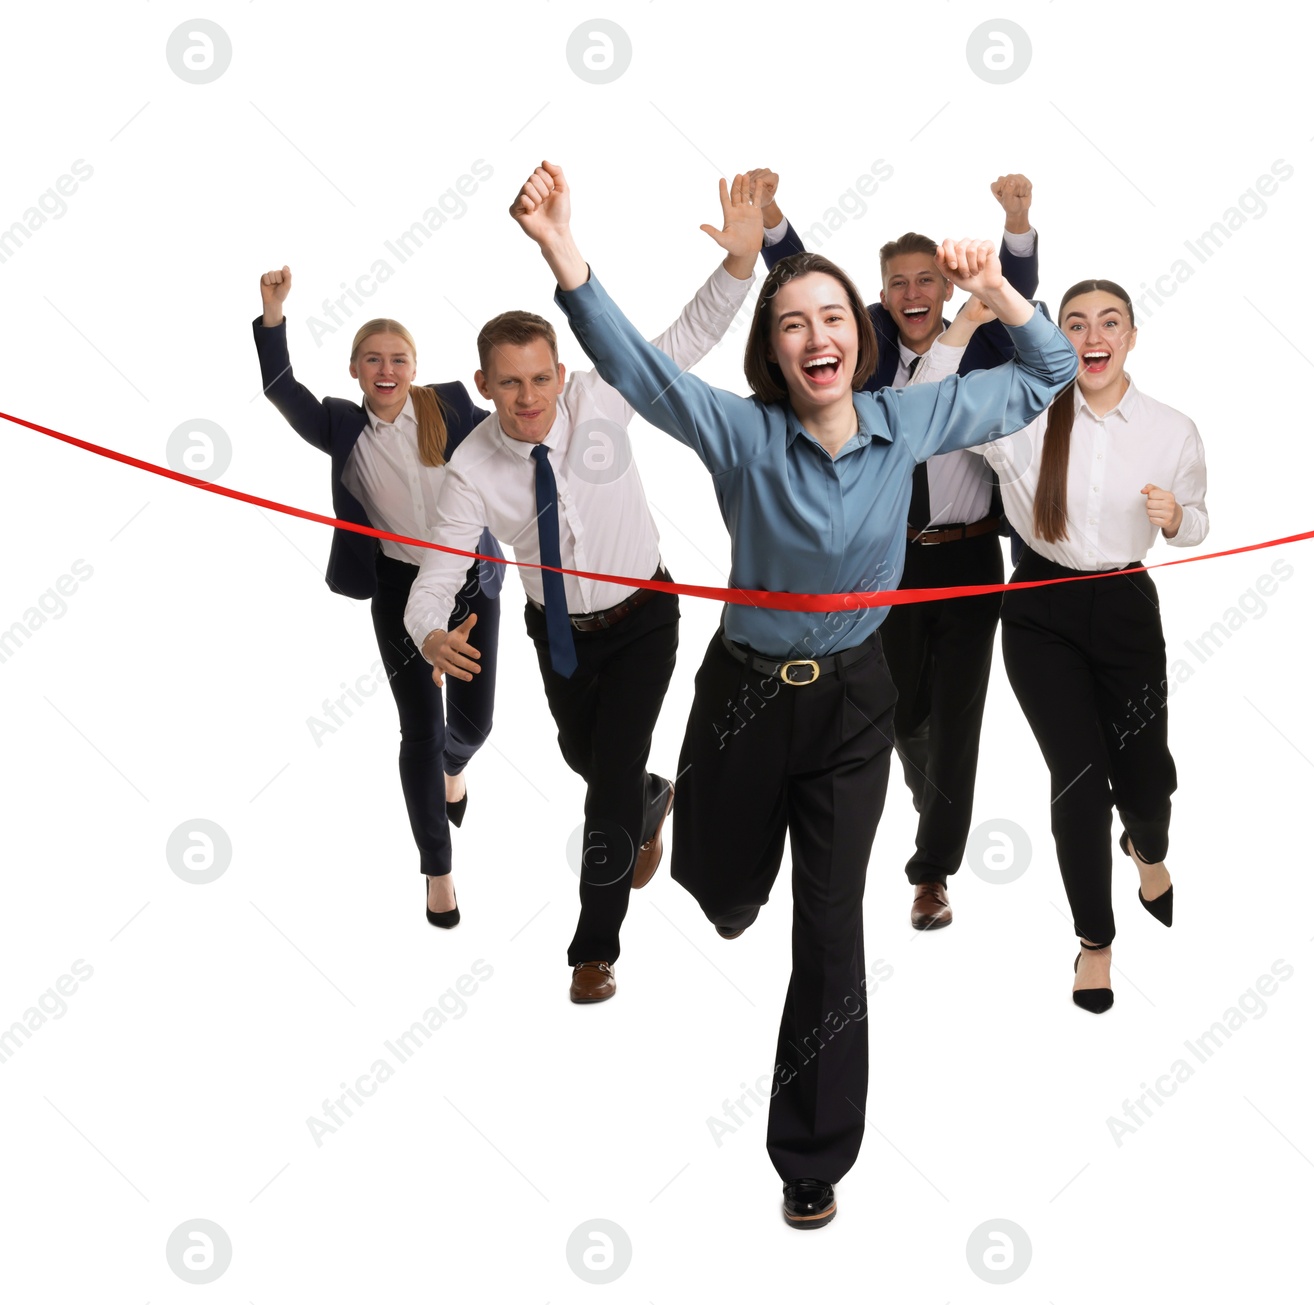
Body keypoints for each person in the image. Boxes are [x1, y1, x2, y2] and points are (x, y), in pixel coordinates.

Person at [509, 159, 1075, 1227]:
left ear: (856, 338)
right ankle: (694, 842)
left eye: (832, 317)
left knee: (828, 925)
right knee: (726, 894)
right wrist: (561, 250)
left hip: (856, 697)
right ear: (772, 352)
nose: (817, 335)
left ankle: (810, 1156)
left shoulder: (906, 421)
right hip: (742, 696)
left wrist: (995, 291)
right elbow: (635, 369)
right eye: (790, 322)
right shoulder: (741, 434)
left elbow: (1043, 377)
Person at [406, 174, 764, 1003]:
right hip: (560, 634)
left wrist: (741, 264)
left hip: (645, 619)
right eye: (509, 384)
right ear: (485, 383)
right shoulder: (471, 468)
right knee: (586, 755)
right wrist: (429, 631)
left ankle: (591, 951)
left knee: (603, 788)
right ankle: (651, 796)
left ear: (561, 373)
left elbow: (688, 335)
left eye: (540, 380)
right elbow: (436, 579)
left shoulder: (603, 396)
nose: (528, 399)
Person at [907, 281, 1209, 1013]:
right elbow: (922, 408)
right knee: (1079, 779)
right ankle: (1095, 942)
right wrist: (971, 319)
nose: (1091, 334)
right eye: (1073, 323)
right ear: (1055, 337)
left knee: (1145, 788)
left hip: (1129, 607)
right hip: (1039, 610)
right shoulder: (1019, 414)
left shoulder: (1171, 429)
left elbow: (1200, 519)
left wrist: (1177, 519)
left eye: (1109, 322)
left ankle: (1146, 846)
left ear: (1131, 335)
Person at [751, 169, 1039, 931]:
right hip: (887, 563)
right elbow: (806, 288)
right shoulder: (866, 348)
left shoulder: (979, 346)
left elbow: (1024, 306)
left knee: (959, 723)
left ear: (947, 290)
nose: (913, 293)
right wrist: (775, 219)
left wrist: (1015, 223)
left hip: (971, 560)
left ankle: (931, 872)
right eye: (896, 283)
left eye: (926, 282)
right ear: (880, 295)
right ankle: (927, 791)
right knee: (898, 712)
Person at [252, 273, 506, 929]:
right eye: (374, 359)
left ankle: (457, 766)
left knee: (473, 726)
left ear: (414, 367)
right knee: (419, 729)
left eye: (398, 358)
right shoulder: (340, 423)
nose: (386, 369)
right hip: (398, 590)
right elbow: (282, 389)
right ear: (356, 370)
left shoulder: (449, 406)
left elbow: (512, 441)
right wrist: (275, 313)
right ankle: (438, 870)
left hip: (470, 580)